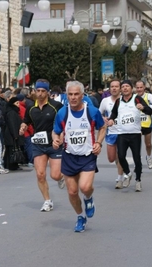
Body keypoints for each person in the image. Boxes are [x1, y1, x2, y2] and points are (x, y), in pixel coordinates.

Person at [52, 81, 106, 232]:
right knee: (72, 192)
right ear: (66, 95)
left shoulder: (92, 111)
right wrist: (55, 139)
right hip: (69, 156)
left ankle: (88, 198)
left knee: (85, 187)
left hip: (88, 155)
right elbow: (55, 131)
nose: (73, 97)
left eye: (76, 94)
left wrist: (99, 143)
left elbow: (103, 127)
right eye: (70, 94)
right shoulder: (62, 113)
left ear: (82, 95)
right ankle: (80, 216)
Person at [19, 79, 64, 212]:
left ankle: (61, 177)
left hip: (54, 144)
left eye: (43, 91)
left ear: (48, 92)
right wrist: (22, 127)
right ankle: (47, 201)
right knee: (40, 174)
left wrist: (60, 137)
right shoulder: (31, 107)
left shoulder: (56, 106)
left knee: (55, 175)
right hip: (38, 144)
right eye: (37, 91)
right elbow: (26, 121)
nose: (40, 94)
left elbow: (64, 124)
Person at [107, 80, 152, 192]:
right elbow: (114, 113)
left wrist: (142, 107)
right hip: (122, 134)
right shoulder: (118, 102)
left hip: (135, 134)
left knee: (136, 158)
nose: (125, 88)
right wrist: (111, 120)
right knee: (121, 156)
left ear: (131, 88)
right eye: (123, 87)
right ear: (121, 90)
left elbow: (149, 111)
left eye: (127, 86)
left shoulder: (137, 98)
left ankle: (138, 180)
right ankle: (128, 173)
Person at [99, 79, 125, 189]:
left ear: (120, 88)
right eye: (112, 86)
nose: (114, 88)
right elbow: (98, 114)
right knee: (111, 158)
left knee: (120, 156)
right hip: (111, 132)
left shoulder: (125, 100)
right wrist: (103, 118)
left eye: (116, 86)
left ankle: (120, 177)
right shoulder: (105, 101)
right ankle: (121, 171)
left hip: (123, 132)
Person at [135, 80, 152, 169]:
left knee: (148, 144)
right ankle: (137, 163)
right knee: (136, 145)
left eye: (141, 87)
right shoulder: (133, 97)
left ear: (144, 88)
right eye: (137, 88)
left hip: (147, 124)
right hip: (136, 125)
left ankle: (149, 156)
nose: (139, 89)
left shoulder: (148, 96)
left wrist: (145, 107)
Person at [3, 96, 25, 171]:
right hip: (11, 134)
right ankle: (10, 165)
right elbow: (12, 124)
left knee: (12, 149)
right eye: (16, 103)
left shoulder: (13, 112)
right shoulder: (11, 112)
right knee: (11, 150)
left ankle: (13, 164)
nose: (18, 104)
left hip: (11, 134)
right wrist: (15, 135)